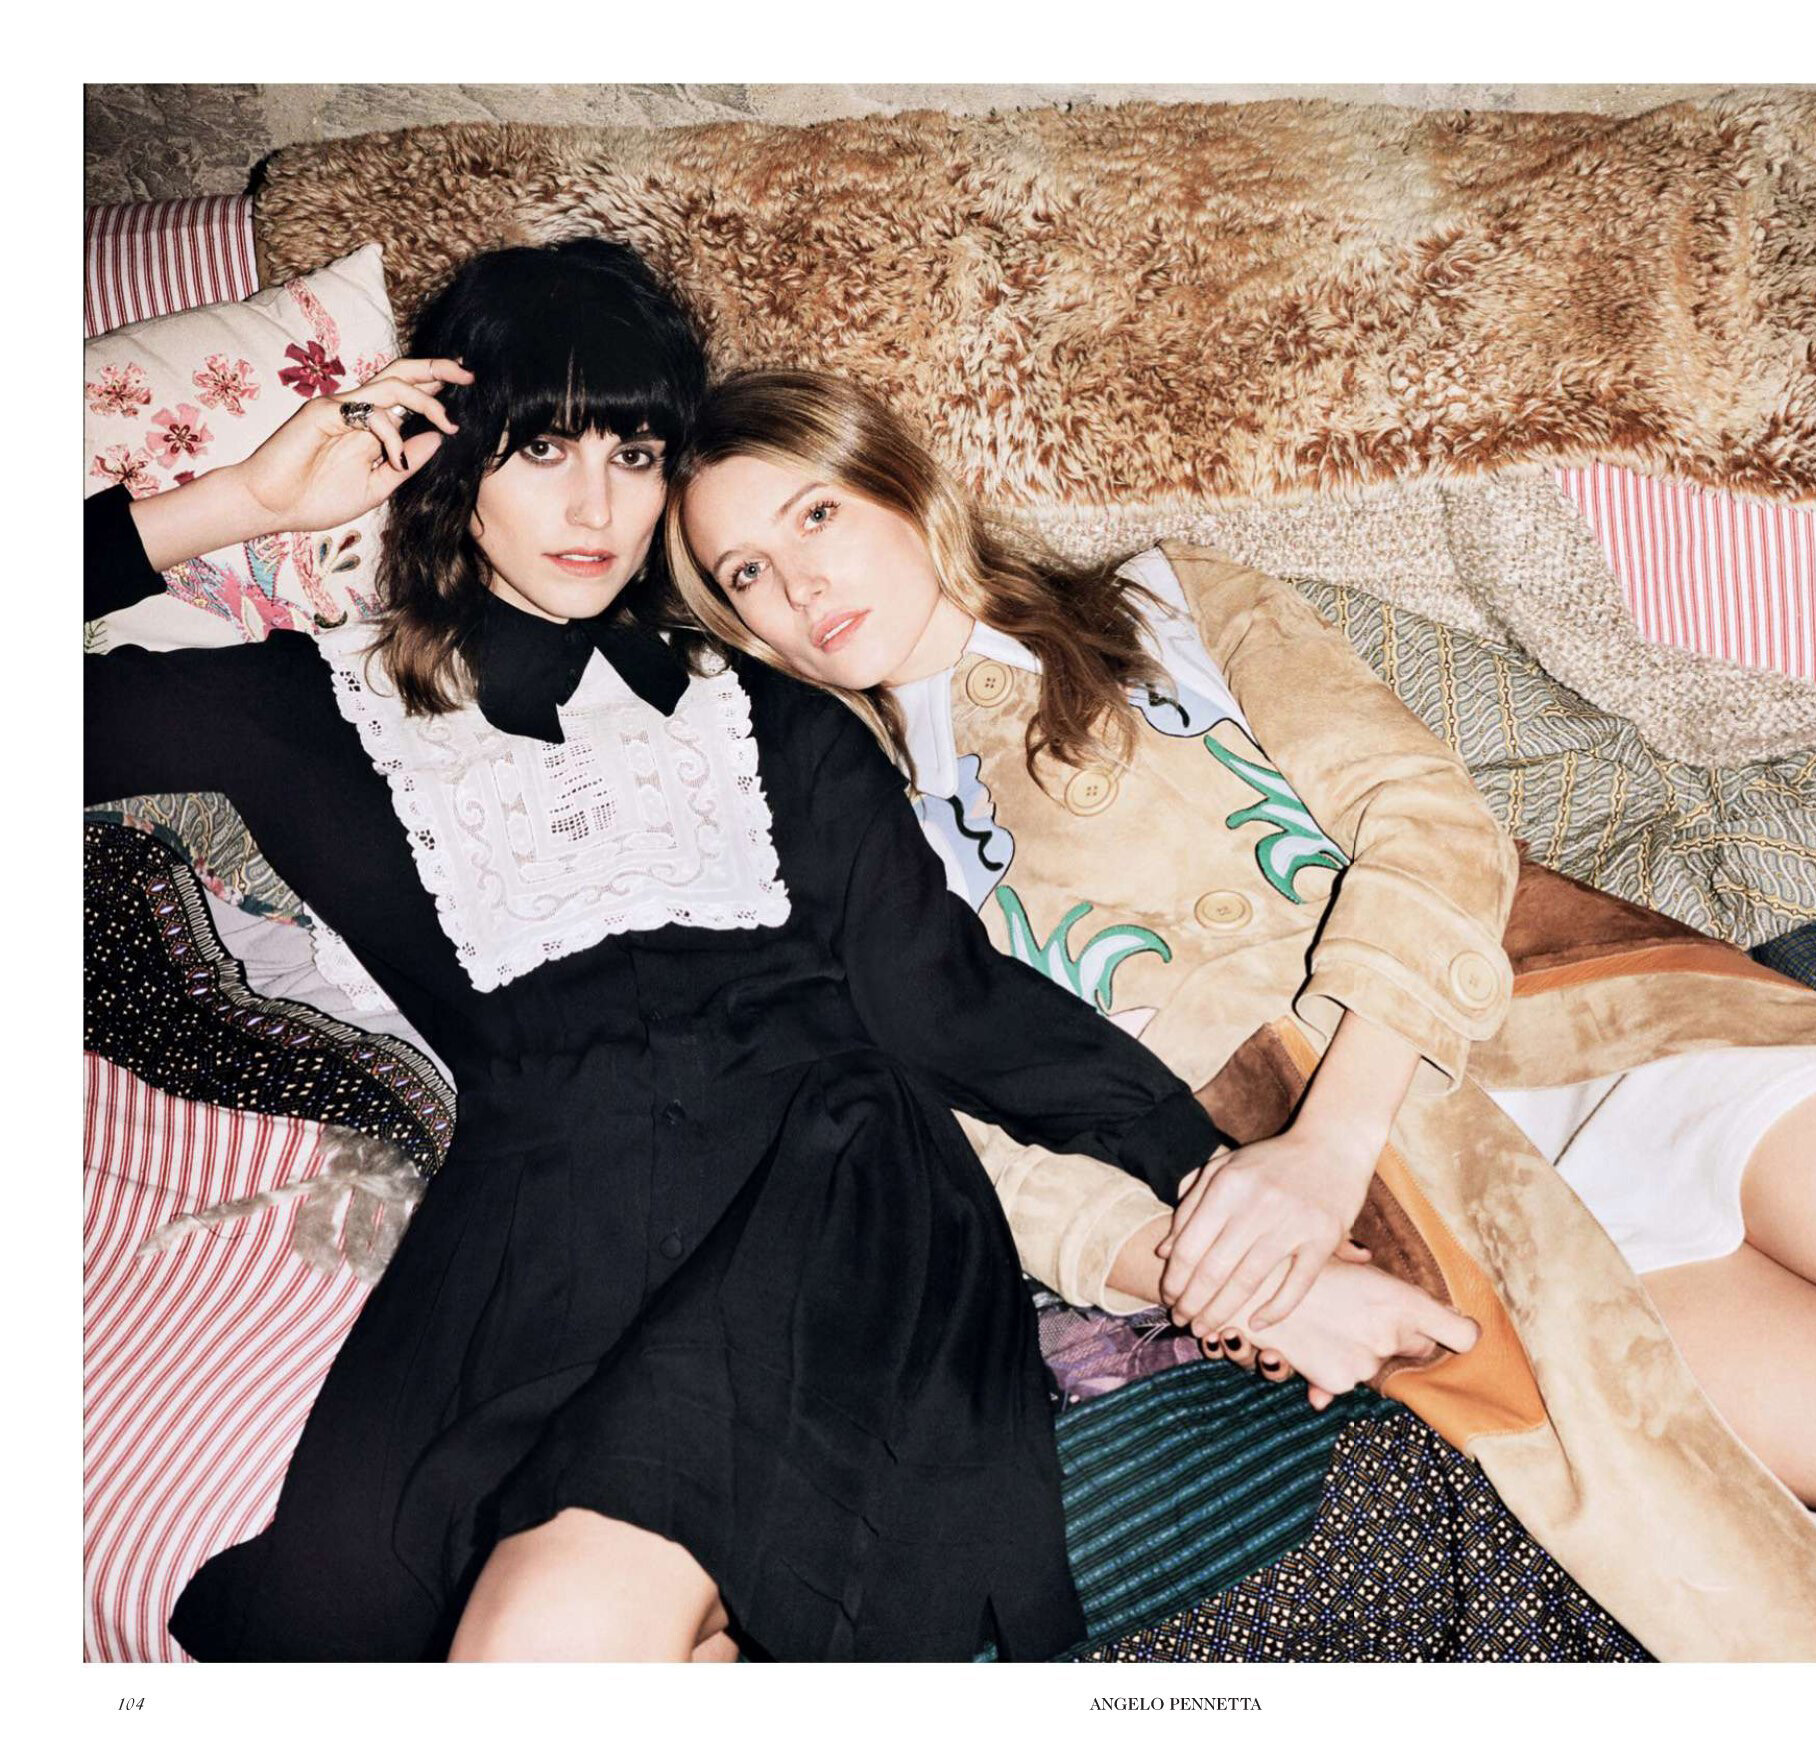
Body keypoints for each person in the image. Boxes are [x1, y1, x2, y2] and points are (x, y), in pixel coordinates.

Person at [665, 370, 1816, 1658]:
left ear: (903, 486)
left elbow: (1430, 822)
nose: (797, 584)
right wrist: (1210, 1270)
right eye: (744, 572)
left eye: (815, 514)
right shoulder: (849, 849)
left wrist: (1326, 1143)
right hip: (1457, 1226)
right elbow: (971, 1158)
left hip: (1558, 1028)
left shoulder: (1169, 603)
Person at [82, 240, 1247, 1663]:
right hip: (529, 1253)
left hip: (829, 1192)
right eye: (541, 448)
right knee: (367, 1618)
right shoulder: (314, 709)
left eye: (634, 454)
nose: (595, 506)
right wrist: (242, 503)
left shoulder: (774, 712)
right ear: (450, 458)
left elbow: (948, 1002)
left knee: (542, 1647)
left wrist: (1214, 1186)